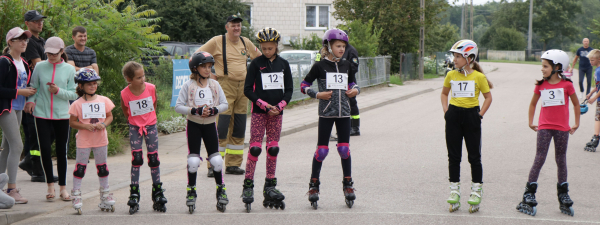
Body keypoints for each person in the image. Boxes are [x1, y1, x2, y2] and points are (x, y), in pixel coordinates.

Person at [300, 29, 360, 209]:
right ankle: (313, 185)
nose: (342, 49)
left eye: (343, 46)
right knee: (322, 151)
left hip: (344, 113)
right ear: (328, 46)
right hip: (326, 113)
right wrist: (317, 94)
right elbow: (304, 85)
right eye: (338, 46)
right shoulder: (320, 66)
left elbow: (352, 83)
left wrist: (355, 90)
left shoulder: (347, 64)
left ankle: (348, 184)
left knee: (344, 149)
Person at [196, 15, 262, 176]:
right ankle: (213, 165)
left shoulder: (245, 42)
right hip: (224, 86)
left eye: (238, 25)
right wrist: (209, 75)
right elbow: (196, 57)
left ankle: (233, 164)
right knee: (221, 127)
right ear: (227, 27)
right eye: (233, 25)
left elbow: (260, 59)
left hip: (243, 88)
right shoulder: (217, 41)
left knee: (239, 127)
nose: (236, 28)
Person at [516, 50, 579, 217]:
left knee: (561, 159)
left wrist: (576, 123)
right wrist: (531, 121)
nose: (542, 69)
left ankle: (563, 193)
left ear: (557, 67)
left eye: (545, 66)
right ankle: (529, 192)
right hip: (544, 127)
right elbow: (532, 104)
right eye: (542, 66)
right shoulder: (541, 85)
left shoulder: (567, 85)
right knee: (540, 157)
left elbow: (576, 104)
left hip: (562, 129)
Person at [241, 28, 293, 212]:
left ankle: (270, 185)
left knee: (273, 147)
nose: (267, 51)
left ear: (277, 46)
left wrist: (280, 106)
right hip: (259, 112)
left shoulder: (284, 64)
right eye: (264, 48)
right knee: (255, 148)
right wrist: (263, 105)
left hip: (276, 113)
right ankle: (248, 185)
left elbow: (289, 90)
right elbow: (248, 90)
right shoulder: (255, 64)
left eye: (270, 48)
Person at [441, 40, 492, 214]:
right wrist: (446, 111)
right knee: (454, 156)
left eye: (458, 56)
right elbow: (444, 93)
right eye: (454, 56)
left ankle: (476, 191)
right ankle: (454, 190)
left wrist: (480, 115)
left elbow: (488, 97)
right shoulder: (451, 75)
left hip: (472, 116)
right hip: (454, 115)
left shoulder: (479, 77)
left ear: (469, 58)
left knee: (474, 157)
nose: (454, 59)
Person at [175, 52, 229, 213]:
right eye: (204, 67)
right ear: (195, 68)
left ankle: (221, 189)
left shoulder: (214, 85)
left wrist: (214, 109)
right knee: (193, 161)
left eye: (209, 66)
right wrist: (195, 110)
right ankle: (191, 190)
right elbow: (178, 106)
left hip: (210, 125)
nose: (207, 69)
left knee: (217, 160)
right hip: (194, 125)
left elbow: (225, 104)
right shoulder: (188, 85)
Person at [24, 36, 77, 201]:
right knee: (45, 150)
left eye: (55, 53)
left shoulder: (69, 69)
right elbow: (34, 87)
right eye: (48, 53)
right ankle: (50, 186)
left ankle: (63, 188)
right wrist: (31, 101)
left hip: (62, 115)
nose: (51, 56)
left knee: (62, 151)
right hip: (42, 114)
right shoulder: (39, 66)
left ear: (62, 51)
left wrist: (58, 91)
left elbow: (75, 93)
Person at [119, 61, 166, 214]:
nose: (143, 79)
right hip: (135, 126)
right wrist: (135, 120)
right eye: (139, 77)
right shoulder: (125, 93)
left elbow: (154, 103)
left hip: (150, 125)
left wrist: (148, 119)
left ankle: (157, 191)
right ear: (129, 79)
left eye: (143, 75)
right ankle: (134, 191)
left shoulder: (151, 88)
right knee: (137, 158)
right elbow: (125, 110)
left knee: (154, 159)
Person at [68, 68, 115, 214]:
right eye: (89, 84)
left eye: (95, 83)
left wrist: (104, 124)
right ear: (81, 86)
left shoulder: (104, 100)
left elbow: (109, 116)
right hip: (84, 140)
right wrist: (84, 126)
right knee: (80, 168)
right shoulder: (77, 104)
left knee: (102, 167)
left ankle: (105, 195)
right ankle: (76, 194)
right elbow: (72, 123)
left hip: (100, 139)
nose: (93, 86)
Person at [19, 10, 57, 183]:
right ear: (27, 23)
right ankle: (35, 167)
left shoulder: (42, 41)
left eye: (41, 20)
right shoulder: (29, 42)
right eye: (35, 21)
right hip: (31, 93)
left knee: (44, 132)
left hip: (42, 92)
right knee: (35, 132)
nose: (39, 23)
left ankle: (30, 162)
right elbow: (39, 66)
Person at [0, 27, 36, 204]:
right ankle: (12, 189)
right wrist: (19, 92)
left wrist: (29, 99)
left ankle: (0, 186)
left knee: (7, 147)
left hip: (19, 107)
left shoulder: (23, 61)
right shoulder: (3, 61)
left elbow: (28, 86)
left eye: (26, 39)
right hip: (6, 107)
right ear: (10, 42)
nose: (24, 42)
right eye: (20, 39)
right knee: (17, 145)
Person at [583, 49, 600, 152]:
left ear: (599, 59)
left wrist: (594, 98)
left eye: (592, 60)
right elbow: (598, 86)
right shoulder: (597, 70)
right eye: (590, 60)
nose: (591, 62)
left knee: (597, 118)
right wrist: (591, 93)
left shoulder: (599, 70)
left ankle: (596, 138)